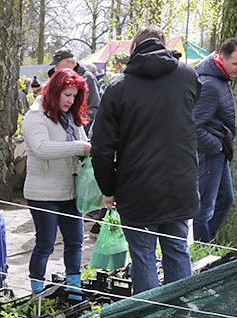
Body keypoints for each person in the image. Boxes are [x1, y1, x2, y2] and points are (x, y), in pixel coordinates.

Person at [90, 26, 201, 294]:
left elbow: (102, 147)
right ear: (164, 45)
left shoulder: (118, 87)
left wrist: (108, 188)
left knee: (143, 256)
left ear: (133, 49)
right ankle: (180, 317)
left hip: (136, 186)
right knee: (176, 249)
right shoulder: (187, 76)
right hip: (179, 181)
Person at [21, 69, 91, 296]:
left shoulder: (72, 119)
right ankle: (37, 293)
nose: (70, 101)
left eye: (74, 96)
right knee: (45, 244)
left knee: (75, 242)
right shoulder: (35, 116)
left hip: (71, 192)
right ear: (54, 92)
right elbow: (42, 148)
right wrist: (81, 148)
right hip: (43, 194)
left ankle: (74, 291)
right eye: (67, 95)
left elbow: (84, 142)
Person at [192, 37, 237, 243]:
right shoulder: (210, 84)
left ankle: (206, 245)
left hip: (218, 150)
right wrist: (215, 147)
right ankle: (201, 248)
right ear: (221, 59)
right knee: (205, 208)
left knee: (225, 199)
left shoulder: (218, 78)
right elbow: (194, 127)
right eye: (236, 64)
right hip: (210, 153)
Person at [47, 48, 100, 122]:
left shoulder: (87, 78)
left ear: (68, 61)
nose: (56, 68)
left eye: (57, 64)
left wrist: (79, 124)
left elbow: (94, 107)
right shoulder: (56, 77)